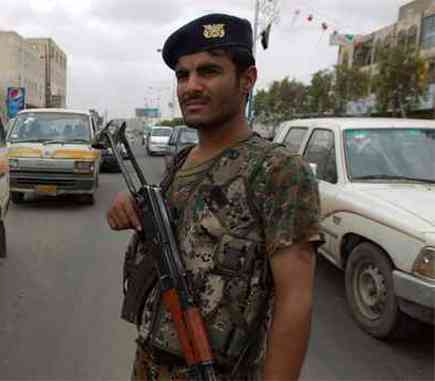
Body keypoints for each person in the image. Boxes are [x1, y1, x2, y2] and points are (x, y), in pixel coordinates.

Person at [107, 14, 322, 381]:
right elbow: (177, 224)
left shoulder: (278, 171)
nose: (190, 86)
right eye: (182, 75)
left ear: (247, 80)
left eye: (208, 71)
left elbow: (295, 302)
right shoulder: (180, 162)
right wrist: (129, 204)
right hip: (148, 365)